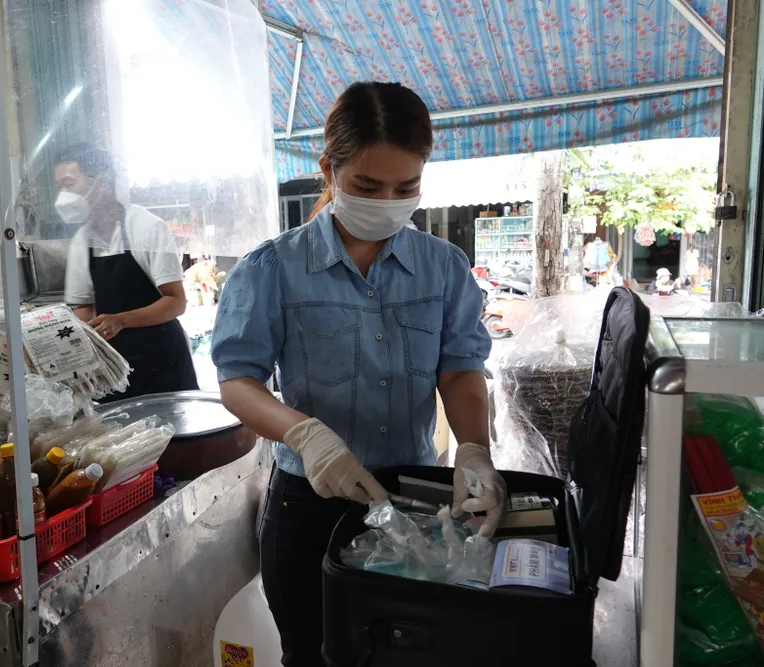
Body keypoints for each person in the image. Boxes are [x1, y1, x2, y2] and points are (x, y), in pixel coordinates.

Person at [211, 82, 503, 665]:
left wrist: (473, 450)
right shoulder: (273, 268)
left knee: (406, 653)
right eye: (368, 186)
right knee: (313, 652)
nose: (388, 201)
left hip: (416, 497)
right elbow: (237, 380)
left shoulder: (443, 268)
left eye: (407, 187)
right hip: (308, 505)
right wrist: (304, 434)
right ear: (329, 168)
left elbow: (462, 368)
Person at [60, 143, 198, 399]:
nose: (62, 196)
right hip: (114, 367)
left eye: (68, 184)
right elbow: (84, 308)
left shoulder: (145, 227)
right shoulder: (82, 241)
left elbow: (176, 302)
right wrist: (61, 344)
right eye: (60, 187)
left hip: (162, 361)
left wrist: (121, 320)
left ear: (99, 183)